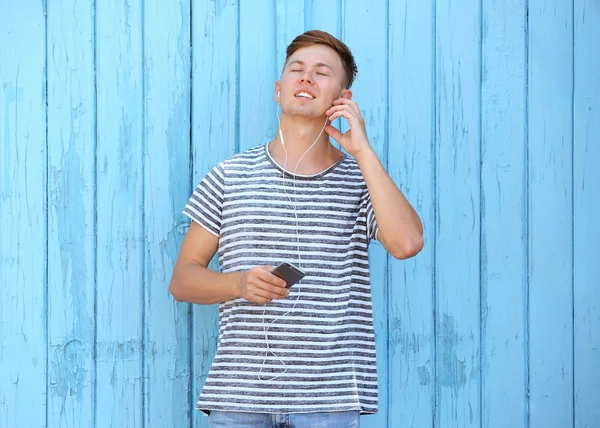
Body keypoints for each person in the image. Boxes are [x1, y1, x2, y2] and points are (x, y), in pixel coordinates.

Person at [169, 30, 424, 428]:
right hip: (239, 401)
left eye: (322, 72)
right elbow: (182, 280)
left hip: (328, 403)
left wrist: (363, 152)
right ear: (279, 88)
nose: (306, 78)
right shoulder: (229, 176)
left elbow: (408, 243)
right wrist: (237, 285)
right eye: (297, 70)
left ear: (343, 100)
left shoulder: (362, 182)